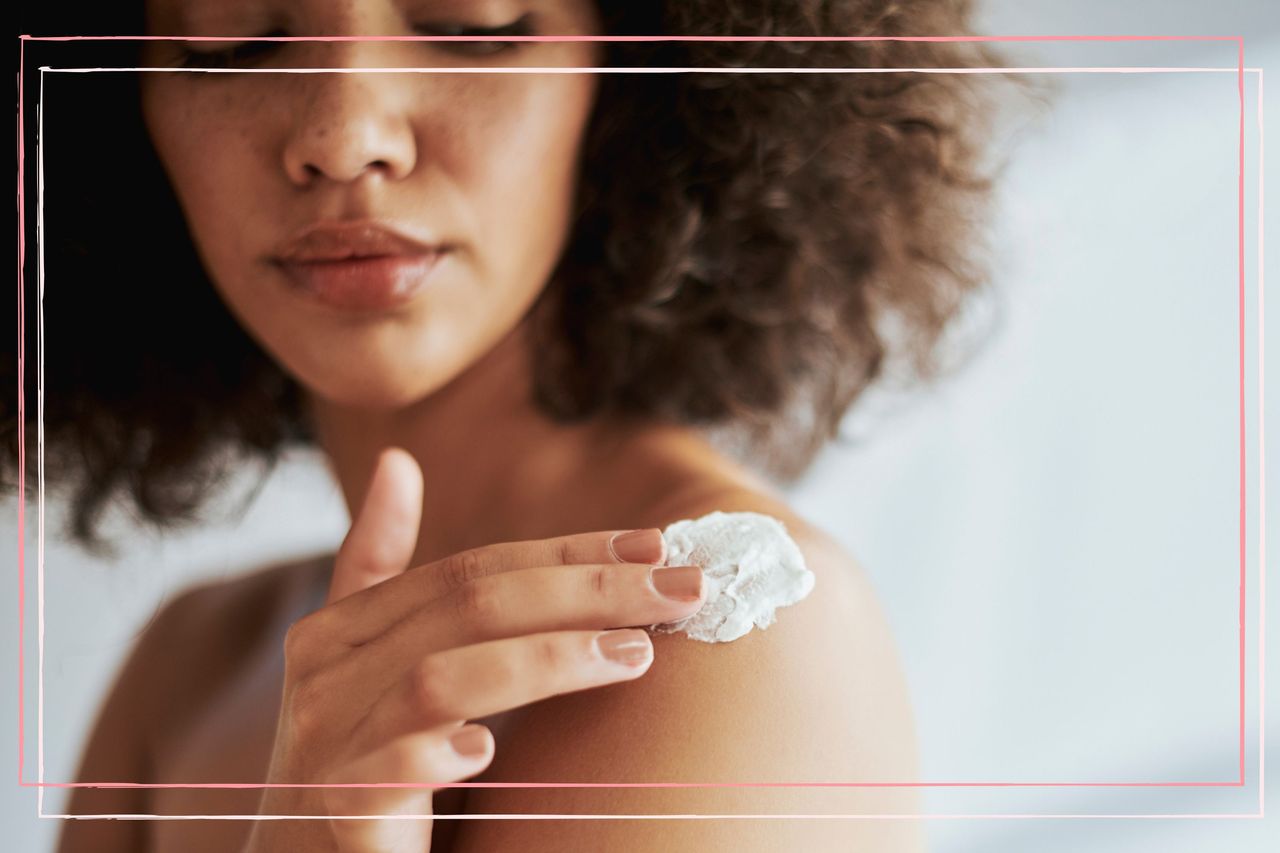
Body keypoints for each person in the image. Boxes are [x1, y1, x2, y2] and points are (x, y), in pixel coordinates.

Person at [9, 1, 1023, 849]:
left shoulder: (724, 632)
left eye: (472, 21)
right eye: (232, 34)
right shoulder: (189, 662)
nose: (343, 131)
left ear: (629, 79)